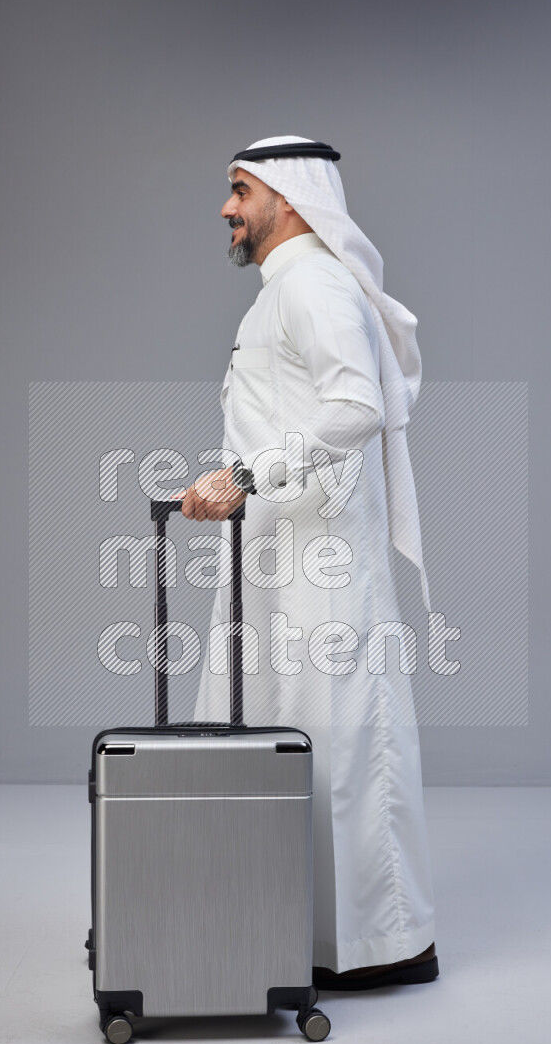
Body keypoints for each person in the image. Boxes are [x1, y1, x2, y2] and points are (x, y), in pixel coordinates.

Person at [180, 136, 438, 990]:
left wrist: (249, 476)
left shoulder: (314, 283)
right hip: (277, 557)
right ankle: (287, 934)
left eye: (239, 190)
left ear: (286, 199)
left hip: (320, 561)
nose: (226, 207)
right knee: (283, 736)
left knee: (344, 738)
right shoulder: (281, 292)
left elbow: (357, 406)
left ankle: (383, 943)